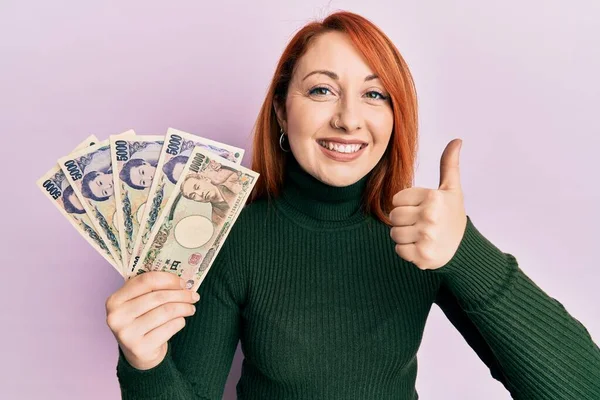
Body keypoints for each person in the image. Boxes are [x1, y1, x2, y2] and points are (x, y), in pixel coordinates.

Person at [106, 11, 600, 399]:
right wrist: (143, 363)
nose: (348, 119)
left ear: (395, 115)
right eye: (322, 90)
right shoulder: (232, 235)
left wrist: (465, 250)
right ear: (281, 108)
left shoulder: (425, 235)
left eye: (375, 94)